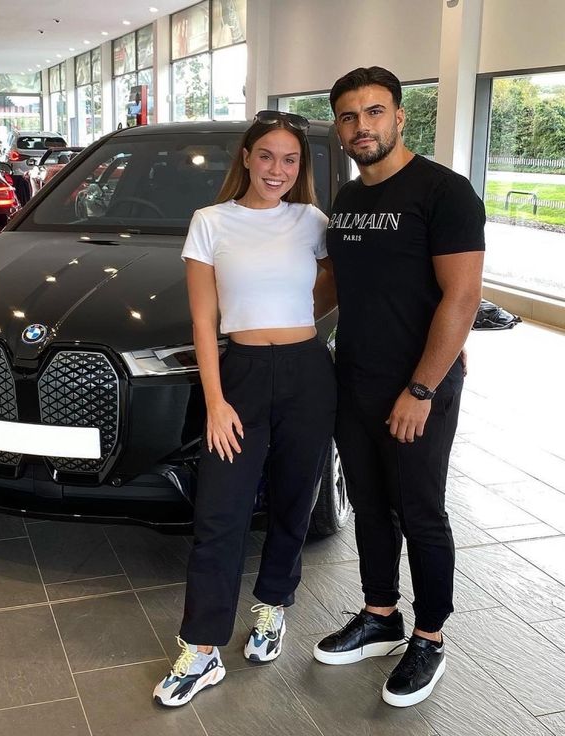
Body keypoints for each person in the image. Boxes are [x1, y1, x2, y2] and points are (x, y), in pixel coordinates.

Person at [312, 67, 485, 708]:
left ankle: (430, 636)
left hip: (417, 385)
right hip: (353, 376)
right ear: (339, 125)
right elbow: (333, 288)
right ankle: (380, 613)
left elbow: (462, 299)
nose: (363, 126)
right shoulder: (347, 202)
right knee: (368, 503)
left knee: (421, 510)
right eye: (351, 116)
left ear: (400, 117)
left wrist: (422, 389)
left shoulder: (444, 193)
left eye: (375, 112)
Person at [153, 111, 338, 707]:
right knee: (220, 513)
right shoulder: (210, 223)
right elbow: (204, 320)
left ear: (300, 167)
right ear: (247, 158)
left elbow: (336, 287)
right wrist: (215, 400)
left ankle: (272, 606)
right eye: (266, 156)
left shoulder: (313, 221)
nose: (276, 170)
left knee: (294, 499)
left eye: (289, 159)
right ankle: (202, 648)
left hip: (309, 372)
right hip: (241, 375)